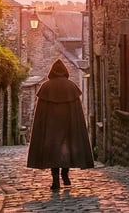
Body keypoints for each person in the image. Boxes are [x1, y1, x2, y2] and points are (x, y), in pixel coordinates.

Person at [26, 59, 95, 190]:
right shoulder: (71, 87)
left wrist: (41, 130)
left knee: (53, 152)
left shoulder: (46, 87)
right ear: (65, 72)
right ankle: (65, 175)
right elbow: (77, 113)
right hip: (69, 126)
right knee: (67, 149)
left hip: (50, 129)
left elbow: (40, 114)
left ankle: (55, 180)